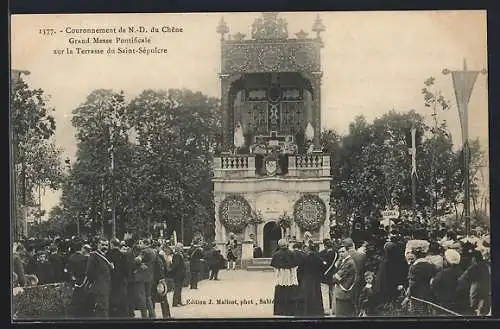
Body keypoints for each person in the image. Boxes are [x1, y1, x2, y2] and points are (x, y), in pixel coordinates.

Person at [83, 237, 113, 318]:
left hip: (106, 288)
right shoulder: (94, 256)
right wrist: (96, 283)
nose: (105, 247)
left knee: (105, 310)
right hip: (99, 289)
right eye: (102, 245)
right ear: (98, 245)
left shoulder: (106, 256)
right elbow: (89, 272)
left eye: (106, 245)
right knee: (101, 312)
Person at [270, 239, 299, 316]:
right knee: (290, 292)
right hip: (290, 277)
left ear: (279, 245)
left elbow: (275, 268)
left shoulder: (276, 254)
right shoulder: (292, 253)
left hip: (281, 277)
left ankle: (280, 311)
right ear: (286, 244)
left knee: (280, 293)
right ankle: (291, 311)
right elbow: (295, 266)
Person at [431, 249, 464, 315]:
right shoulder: (462, 272)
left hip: (445, 306)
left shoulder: (442, 274)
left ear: (447, 261)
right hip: (460, 305)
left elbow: (434, 286)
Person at [296, 241, 324, 317]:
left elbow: (299, 270)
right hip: (315, 279)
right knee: (316, 295)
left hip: (306, 279)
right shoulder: (318, 259)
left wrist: (300, 279)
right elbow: (322, 269)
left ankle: (305, 311)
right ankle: (316, 311)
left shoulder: (304, 258)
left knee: (305, 295)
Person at [66, 243, 92, 318]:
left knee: (76, 298)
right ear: (81, 248)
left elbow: (69, 270)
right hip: (84, 281)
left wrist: (72, 277)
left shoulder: (71, 257)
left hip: (75, 280)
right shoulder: (86, 258)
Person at [106, 238, 129, 318]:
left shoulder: (108, 254)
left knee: (112, 298)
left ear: (111, 244)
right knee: (121, 297)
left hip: (111, 280)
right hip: (121, 280)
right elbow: (126, 270)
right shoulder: (123, 255)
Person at [332, 245, 357, 317]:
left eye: (343, 251)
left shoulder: (349, 262)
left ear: (348, 251)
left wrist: (334, 278)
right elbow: (336, 269)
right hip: (343, 291)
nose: (341, 254)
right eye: (339, 252)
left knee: (341, 315)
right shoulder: (345, 261)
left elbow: (336, 277)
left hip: (344, 291)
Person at [319, 238, 338, 316]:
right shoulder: (336, 253)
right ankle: (334, 310)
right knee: (333, 293)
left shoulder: (324, 254)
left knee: (325, 293)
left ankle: (326, 310)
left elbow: (323, 265)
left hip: (325, 276)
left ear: (325, 245)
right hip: (333, 275)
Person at [168, 243, 186, 307]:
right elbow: (175, 265)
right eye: (181, 247)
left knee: (179, 288)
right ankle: (175, 303)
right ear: (178, 248)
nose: (182, 248)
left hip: (180, 274)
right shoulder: (177, 255)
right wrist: (170, 270)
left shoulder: (179, 254)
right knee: (177, 288)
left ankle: (179, 301)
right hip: (178, 274)